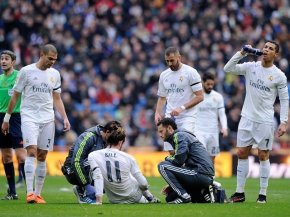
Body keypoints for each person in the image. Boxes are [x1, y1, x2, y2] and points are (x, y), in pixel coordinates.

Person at [1, 44, 71, 204]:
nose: (52, 62)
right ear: (41, 55)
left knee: (42, 155)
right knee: (31, 151)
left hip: (48, 118)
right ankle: (30, 193)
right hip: (29, 117)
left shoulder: (55, 74)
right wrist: (7, 119)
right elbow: (15, 96)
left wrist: (65, 118)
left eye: (55, 59)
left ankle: (38, 194)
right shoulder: (26, 71)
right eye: (50, 58)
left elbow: (57, 98)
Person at [224, 41, 289, 203]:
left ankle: (262, 194)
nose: (266, 50)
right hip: (246, 118)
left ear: (276, 54)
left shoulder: (279, 75)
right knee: (241, 153)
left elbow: (284, 100)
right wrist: (241, 53)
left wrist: (284, 122)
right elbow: (228, 69)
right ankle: (239, 193)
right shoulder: (251, 66)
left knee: (263, 155)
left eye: (271, 49)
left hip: (265, 121)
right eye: (265, 47)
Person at [88, 125, 160, 204]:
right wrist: (145, 188)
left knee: (97, 173)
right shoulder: (128, 157)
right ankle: (150, 197)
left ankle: (149, 198)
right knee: (132, 175)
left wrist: (99, 200)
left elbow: (98, 176)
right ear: (121, 141)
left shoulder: (93, 155)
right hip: (134, 196)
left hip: (114, 200)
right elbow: (143, 184)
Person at [154, 46, 204, 154]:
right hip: (170, 117)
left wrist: (182, 108)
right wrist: (157, 112)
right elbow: (162, 97)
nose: (170, 64)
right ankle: (176, 170)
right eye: (167, 61)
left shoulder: (191, 72)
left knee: (184, 147)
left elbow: (200, 96)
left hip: (187, 116)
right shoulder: (164, 75)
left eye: (172, 60)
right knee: (171, 150)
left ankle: (188, 169)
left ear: (179, 58)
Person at [61, 120, 122, 204]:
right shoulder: (88, 137)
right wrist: (87, 185)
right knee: (95, 160)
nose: (113, 141)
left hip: (88, 168)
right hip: (72, 170)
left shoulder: (108, 140)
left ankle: (82, 187)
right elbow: (76, 161)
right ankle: (83, 192)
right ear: (107, 132)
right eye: (112, 137)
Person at [156, 118, 215, 204]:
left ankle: (184, 197)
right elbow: (181, 163)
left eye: (161, 131)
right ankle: (203, 193)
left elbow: (178, 160)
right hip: (202, 174)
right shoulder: (183, 135)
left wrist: (167, 158)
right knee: (170, 197)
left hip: (200, 173)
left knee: (162, 166)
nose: (160, 135)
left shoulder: (179, 135)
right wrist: (172, 184)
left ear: (169, 128)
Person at [0, 50, 26, 200]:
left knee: (22, 156)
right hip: (0, 117)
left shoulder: (19, 76)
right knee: (7, 156)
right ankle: (12, 192)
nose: (3, 61)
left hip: (16, 118)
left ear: (13, 61)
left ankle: (30, 188)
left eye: (6, 59)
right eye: (2, 59)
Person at [195, 72, 228, 163]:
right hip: (199, 131)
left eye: (212, 84)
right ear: (203, 83)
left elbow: (222, 114)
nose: (210, 86)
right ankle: (200, 176)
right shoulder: (197, 96)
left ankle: (211, 177)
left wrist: (224, 127)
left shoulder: (218, 97)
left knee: (212, 157)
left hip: (213, 131)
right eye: (208, 84)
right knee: (201, 155)